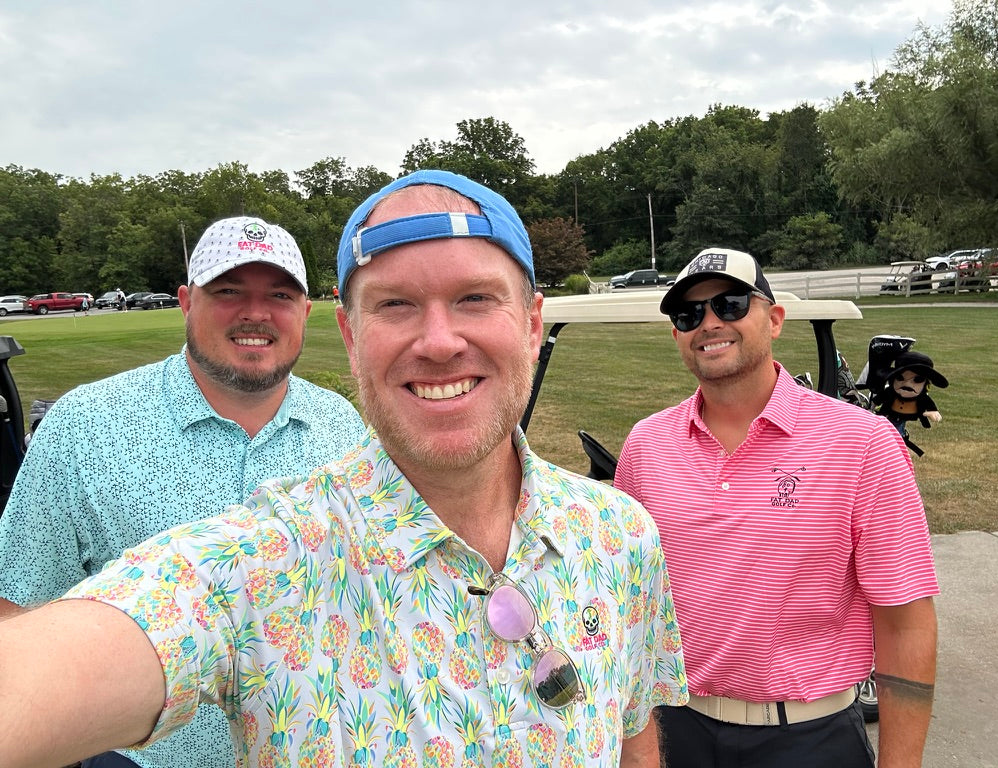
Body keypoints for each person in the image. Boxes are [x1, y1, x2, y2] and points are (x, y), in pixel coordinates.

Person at [0, 171, 687, 768]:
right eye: (396, 304)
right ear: (353, 337)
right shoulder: (261, 556)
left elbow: (630, 733)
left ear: (534, 324)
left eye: (476, 298)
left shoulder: (621, 535)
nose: (440, 341)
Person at [0, 215, 365, 768]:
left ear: (304, 310)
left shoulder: (341, 426)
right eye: (228, 291)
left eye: (280, 295)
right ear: (186, 301)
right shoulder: (86, 426)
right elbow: (18, 607)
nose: (256, 313)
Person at [614, 247, 939, 768]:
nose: (709, 323)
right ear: (676, 334)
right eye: (688, 313)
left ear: (775, 319)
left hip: (808, 737)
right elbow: (629, 606)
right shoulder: (646, 445)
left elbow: (904, 620)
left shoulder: (861, 442)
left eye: (731, 303)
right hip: (674, 730)